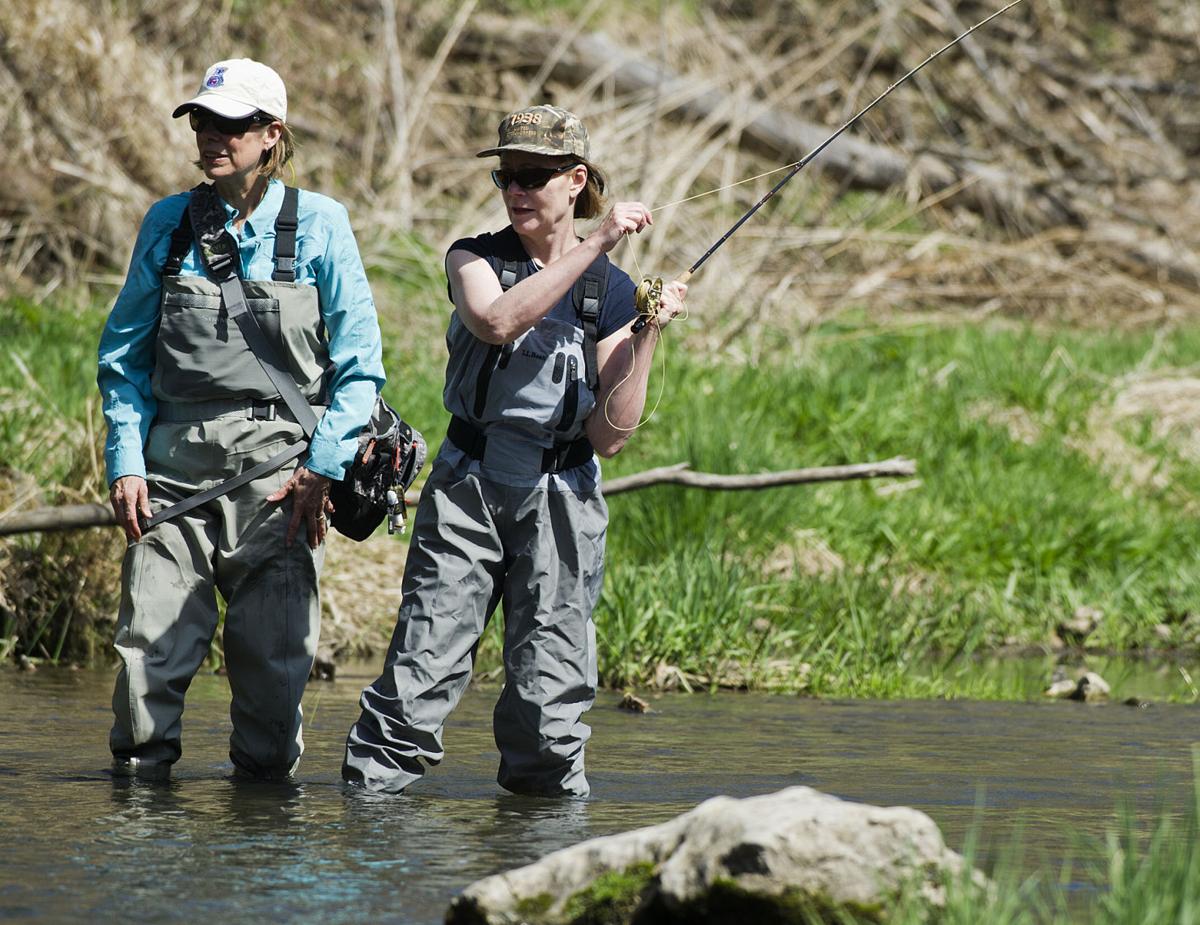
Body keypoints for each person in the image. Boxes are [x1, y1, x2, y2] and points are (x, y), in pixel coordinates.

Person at [342, 105, 686, 797]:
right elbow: (497, 320)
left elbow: (611, 434)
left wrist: (647, 332)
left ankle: (541, 857)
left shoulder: (609, 294)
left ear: (574, 180)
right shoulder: (474, 256)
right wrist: (599, 244)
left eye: (533, 175)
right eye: (507, 176)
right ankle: (371, 825)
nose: (517, 189)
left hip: (563, 497)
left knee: (548, 707)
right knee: (421, 671)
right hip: (469, 486)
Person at [98, 58, 385, 780]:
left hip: (281, 491)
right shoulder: (167, 225)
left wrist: (322, 469)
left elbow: (360, 369)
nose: (211, 136)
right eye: (202, 120)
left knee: (268, 704)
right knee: (144, 674)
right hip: (171, 485)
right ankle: (138, 832)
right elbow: (124, 358)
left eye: (230, 124)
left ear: (271, 135)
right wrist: (125, 459)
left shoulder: (324, 225)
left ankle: (259, 851)